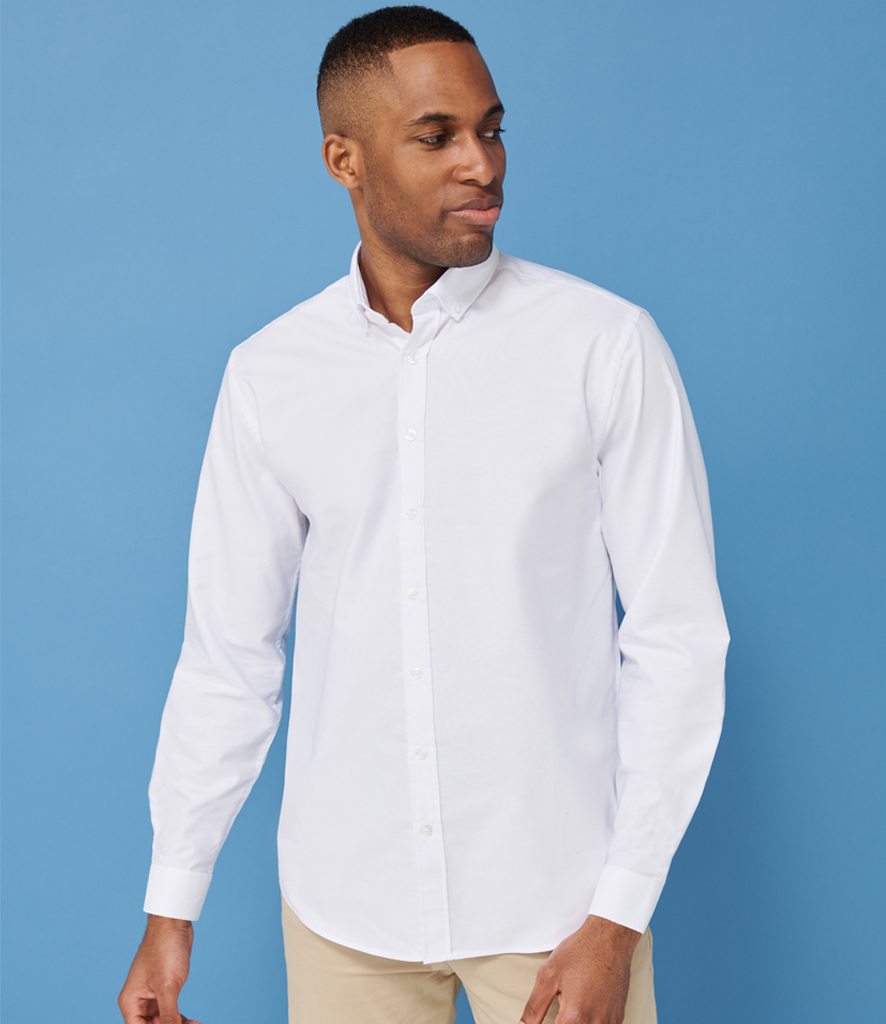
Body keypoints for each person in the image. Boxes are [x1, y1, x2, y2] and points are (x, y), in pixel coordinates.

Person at [118, 7, 729, 1024]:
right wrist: (171, 905)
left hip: (557, 909)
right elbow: (228, 656)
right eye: (436, 136)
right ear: (344, 160)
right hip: (343, 909)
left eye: (491, 129)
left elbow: (677, 640)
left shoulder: (603, 346)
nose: (481, 164)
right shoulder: (271, 375)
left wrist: (617, 914)